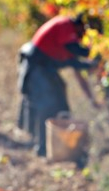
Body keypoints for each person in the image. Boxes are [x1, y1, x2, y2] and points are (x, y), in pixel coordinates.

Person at [17, 13, 99, 157]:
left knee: (60, 102)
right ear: (80, 25)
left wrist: (92, 99)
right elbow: (74, 49)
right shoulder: (65, 26)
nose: (83, 35)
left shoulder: (70, 40)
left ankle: (61, 146)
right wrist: (94, 55)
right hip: (36, 67)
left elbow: (78, 73)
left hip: (45, 69)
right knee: (46, 105)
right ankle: (42, 146)